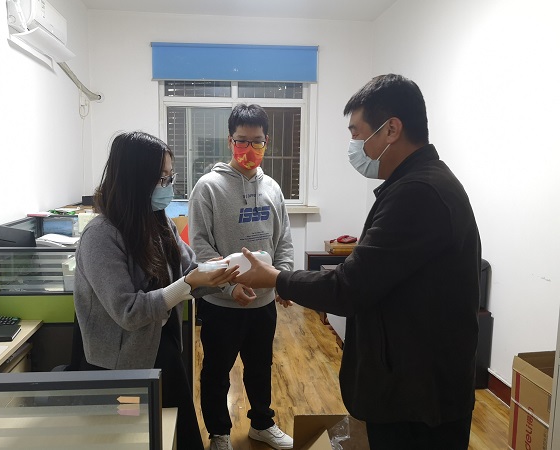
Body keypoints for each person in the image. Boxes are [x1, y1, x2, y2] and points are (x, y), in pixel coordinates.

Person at [235, 74, 482, 450]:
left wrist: (277, 278)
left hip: (418, 402)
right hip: (413, 386)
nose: (353, 145)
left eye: (356, 133)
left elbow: (348, 287)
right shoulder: (417, 183)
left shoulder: (419, 192)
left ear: (391, 129)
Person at [73, 131, 239, 450]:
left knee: (179, 431)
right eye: (161, 178)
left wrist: (224, 275)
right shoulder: (101, 236)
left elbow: (188, 272)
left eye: (169, 176)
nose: (167, 186)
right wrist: (189, 283)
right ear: (135, 180)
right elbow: (129, 312)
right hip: (122, 367)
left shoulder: (159, 222)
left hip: (161, 346)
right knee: (133, 438)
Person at [188, 104, 295, 450]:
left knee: (261, 367)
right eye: (241, 141)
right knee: (217, 372)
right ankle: (219, 433)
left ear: (267, 142)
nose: (249, 149)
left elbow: (283, 240)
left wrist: (283, 279)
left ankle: (262, 424)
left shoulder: (273, 188)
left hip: (263, 303)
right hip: (222, 304)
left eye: (257, 141)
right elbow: (200, 246)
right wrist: (230, 285)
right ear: (229, 141)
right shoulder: (208, 187)